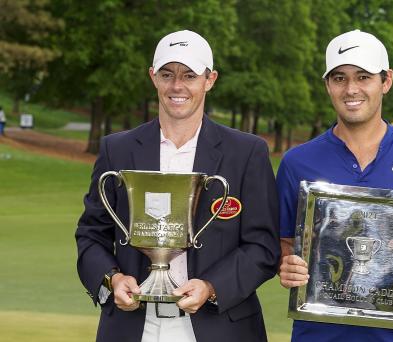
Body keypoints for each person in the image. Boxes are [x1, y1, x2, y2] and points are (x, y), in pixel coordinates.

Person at [76, 30, 280, 342]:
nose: (177, 86)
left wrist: (211, 286)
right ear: (153, 77)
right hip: (134, 326)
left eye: (189, 75)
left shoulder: (247, 152)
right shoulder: (117, 149)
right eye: (167, 74)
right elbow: (92, 235)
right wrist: (113, 279)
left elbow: (263, 247)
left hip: (220, 324)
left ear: (209, 80)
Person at [277, 29, 393, 341]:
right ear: (328, 86)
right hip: (316, 333)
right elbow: (282, 239)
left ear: (386, 81)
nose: (351, 89)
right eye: (339, 78)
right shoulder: (297, 162)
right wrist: (286, 263)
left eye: (363, 77)